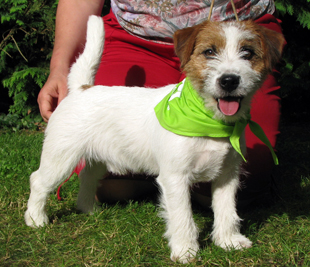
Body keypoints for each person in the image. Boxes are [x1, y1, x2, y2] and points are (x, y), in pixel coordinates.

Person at [38, 0, 285, 207]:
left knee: (247, 174)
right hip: (135, 36)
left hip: (238, 28)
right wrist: (60, 67)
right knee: (112, 178)